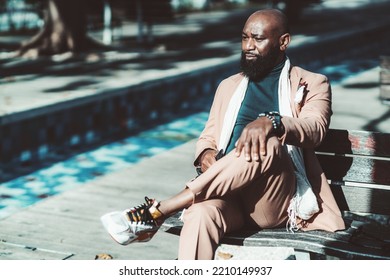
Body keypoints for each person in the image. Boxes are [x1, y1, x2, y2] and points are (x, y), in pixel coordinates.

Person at [101, 8, 345, 260]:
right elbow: (208, 137)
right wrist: (205, 154)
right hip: (227, 195)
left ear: (283, 42)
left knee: (267, 142)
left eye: (258, 39)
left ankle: (161, 209)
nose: (249, 46)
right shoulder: (229, 86)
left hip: (272, 201)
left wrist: (273, 122)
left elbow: (315, 129)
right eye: (244, 38)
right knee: (199, 214)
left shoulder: (312, 82)